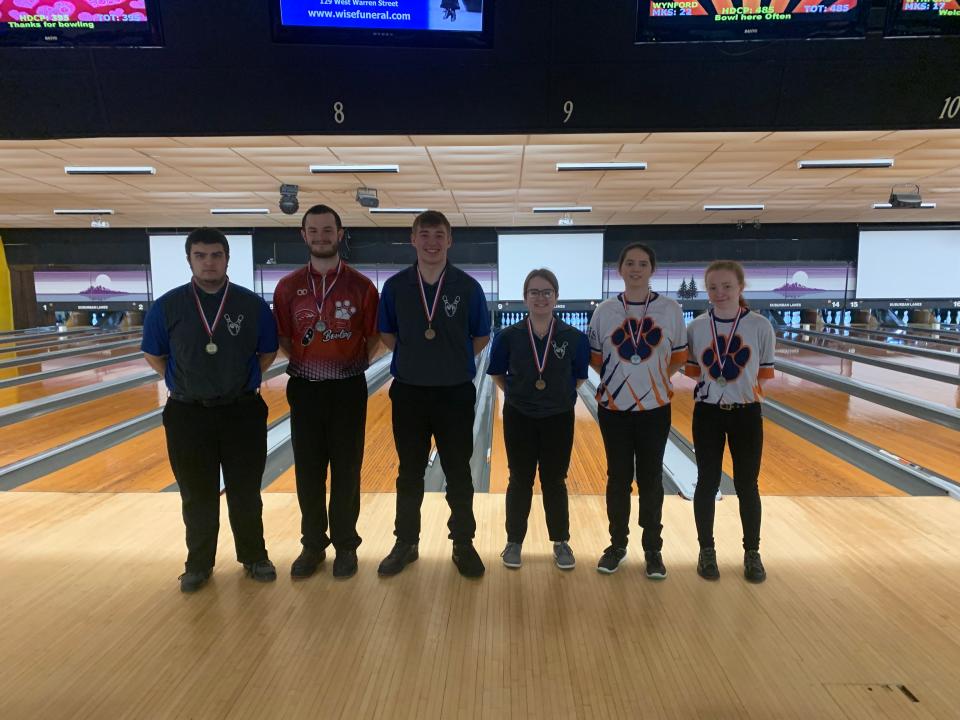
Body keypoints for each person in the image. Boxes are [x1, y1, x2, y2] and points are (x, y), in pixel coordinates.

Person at [141, 228, 279, 593]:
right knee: (196, 494)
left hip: (242, 411)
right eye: (200, 255)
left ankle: (254, 556)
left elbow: (267, 352)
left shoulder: (250, 305)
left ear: (227, 259)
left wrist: (236, 381)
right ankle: (198, 564)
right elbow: (154, 353)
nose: (208, 262)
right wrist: (187, 382)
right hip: (188, 413)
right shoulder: (168, 305)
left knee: (246, 491)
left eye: (215, 255)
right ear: (189, 260)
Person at [376, 210, 491, 578]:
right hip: (409, 392)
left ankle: (463, 543)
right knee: (409, 472)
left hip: (455, 393)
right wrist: (418, 360)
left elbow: (481, 336)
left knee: (459, 472)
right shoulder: (395, 287)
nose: (431, 241)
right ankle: (406, 543)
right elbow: (387, 334)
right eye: (424, 234)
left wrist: (449, 362)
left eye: (438, 234)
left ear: (449, 240)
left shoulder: (468, 286)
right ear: (413, 239)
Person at [272, 205, 380, 580]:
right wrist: (310, 364)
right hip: (305, 388)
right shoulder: (287, 287)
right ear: (303, 235)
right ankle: (313, 545)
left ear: (340, 233)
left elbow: (374, 337)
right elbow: (284, 338)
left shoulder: (361, 286)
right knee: (309, 472)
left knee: (347, 471)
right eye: (313, 230)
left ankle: (346, 545)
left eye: (327, 230)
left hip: (348, 388)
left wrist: (348, 364)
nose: (321, 236)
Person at [588, 242, 687, 577]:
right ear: (620, 269)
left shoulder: (670, 310)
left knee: (650, 479)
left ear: (651, 269)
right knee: (617, 478)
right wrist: (621, 383)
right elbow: (596, 358)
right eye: (629, 262)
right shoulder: (605, 310)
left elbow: (679, 356)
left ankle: (653, 549)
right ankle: (617, 544)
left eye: (642, 263)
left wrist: (654, 381)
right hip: (613, 410)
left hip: (654, 409)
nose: (635, 268)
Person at [487, 269, 589, 570]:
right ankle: (514, 541)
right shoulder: (508, 336)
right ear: (525, 297)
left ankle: (560, 542)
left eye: (547, 292)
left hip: (558, 418)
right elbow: (496, 373)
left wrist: (554, 396)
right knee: (519, 479)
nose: (541, 297)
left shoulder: (574, 338)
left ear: (556, 297)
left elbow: (580, 378)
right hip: (520, 416)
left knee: (555, 480)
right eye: (535, 292)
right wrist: (520, 395)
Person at [683, 260, 774, 583]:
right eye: (713, 287)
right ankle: (706, 551)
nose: (720, 293)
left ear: (740, 288)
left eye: (727, 286)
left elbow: (764, 373)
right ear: (706, 291)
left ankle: (752, 553)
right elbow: (693, 372)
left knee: (747, 485)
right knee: (706, 483)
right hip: (707, 413)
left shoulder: (760, 326)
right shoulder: (695, 327)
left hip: (747, 414)